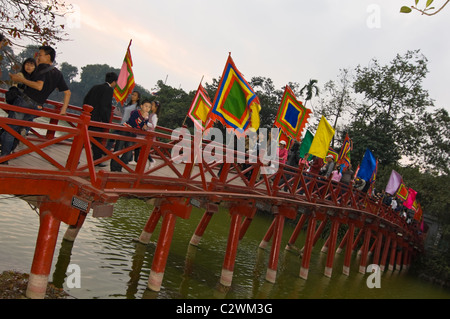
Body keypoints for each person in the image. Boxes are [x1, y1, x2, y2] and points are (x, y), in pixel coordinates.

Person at [2, 46, 71, 161]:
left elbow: (39, 86)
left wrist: (21, 80)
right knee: (18, 131)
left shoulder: (41, 68)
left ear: (48, 57)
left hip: (26, 101)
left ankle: (3, 157)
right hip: (37, 106)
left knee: (10, 129)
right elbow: (67, 93)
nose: (38, 57)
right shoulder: (58, 73)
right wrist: (63, 111)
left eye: (40, 55)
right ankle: (11, 151)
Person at [83, 72, 118, 166]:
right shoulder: (109, 89)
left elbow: (86, 100)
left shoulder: (95, 87)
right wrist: (106, 121)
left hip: (88, 116)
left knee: (83, 138)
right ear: (114, 82)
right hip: (98, 119)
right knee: (96, 140)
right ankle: (97, 161)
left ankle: (75, 158)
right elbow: (105, 106)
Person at [110, 99, 152, 172]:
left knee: (128, 153)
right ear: (141, 106)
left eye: (149, 107)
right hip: (125, 130)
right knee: (118, 149)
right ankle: (113, 168)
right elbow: (133, 123)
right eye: (146, 106)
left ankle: (119, 167)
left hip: (133, 134)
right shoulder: (135, 112)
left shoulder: (147, 117)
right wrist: (142, 118)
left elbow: (141, 126)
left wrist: (145, 127)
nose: (147, 108)